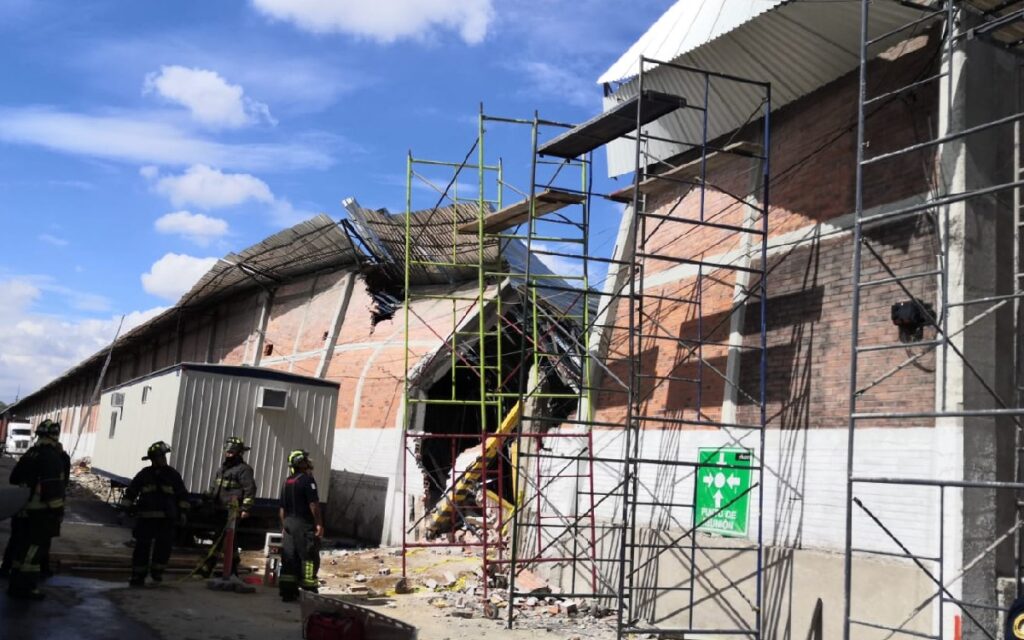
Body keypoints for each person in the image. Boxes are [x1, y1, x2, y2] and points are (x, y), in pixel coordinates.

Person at [5, 419, 67, 599]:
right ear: (55, 436)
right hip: (39, 513)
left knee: (21, 549)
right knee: (34, 550)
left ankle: (15, 585)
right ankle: (27, 587)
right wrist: (58, 511)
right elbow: (53, 489)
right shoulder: (52, 457)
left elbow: (14, 478)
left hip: (22, 510)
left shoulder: (31, 453)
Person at [120, 441, 190, 587]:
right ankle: (138, 576)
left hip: (166, 520)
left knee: (163, 549)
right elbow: (131, 492)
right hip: (146, 519)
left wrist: (183, 513)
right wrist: (123, 510)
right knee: (142, 548)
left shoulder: (173, 475)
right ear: (154, 458)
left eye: (163, 456)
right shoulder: (144, 474)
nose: (163, 459)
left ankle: (156, 575)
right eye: (161, 456)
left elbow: (182, 495)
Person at [198, 436, 256, 578]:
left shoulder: (244, 470)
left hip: (232, 512)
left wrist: (245, 509)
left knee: (223, 541)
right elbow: (214, 488)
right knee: (226, 541)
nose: (229, 454)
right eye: (227, 452)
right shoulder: (222, 469)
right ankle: (232, 571)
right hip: (219, 510)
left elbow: (250, 490)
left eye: (232, 452)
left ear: (239, 453)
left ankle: (209, 570)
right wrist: (206, 498)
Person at [278, 449, 323, 602]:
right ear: (301, 463)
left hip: (289, 524)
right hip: (303, 525)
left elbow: (282, 509)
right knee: (308, 557)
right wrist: (318, 524)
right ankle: (309, 591)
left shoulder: (286, 482)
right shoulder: (307, 480)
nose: (309, 463)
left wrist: (284, 526)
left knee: (289, 558)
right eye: (306, 460)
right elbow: (313, 504)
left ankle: (287, 592)